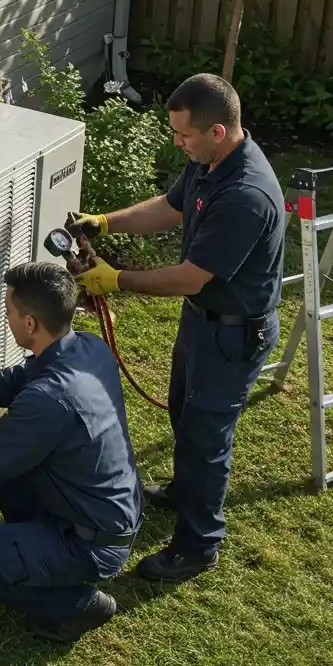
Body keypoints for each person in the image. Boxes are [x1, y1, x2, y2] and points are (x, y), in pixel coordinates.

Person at [72, 72, 286, 582]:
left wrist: (115, 278)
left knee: (205, 438)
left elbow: (190, 278)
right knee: (181, 412)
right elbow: (168, 209)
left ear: (218, 131)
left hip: (233, 333)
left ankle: (198, 545)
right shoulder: (209, 163)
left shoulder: (245, 194)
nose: (177, 143)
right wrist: (105, 221)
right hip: (203, 323)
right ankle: (184, 493)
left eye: (183, 135)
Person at [0, 261, 143, 645]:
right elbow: (17, 380)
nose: (8, 317)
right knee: (8, 466)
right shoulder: (87, 349)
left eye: (10, 311)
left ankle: (80, 603)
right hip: (108, 509)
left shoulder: (49, 399)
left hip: (91, 542)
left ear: (29, 323)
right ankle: (33, 543)